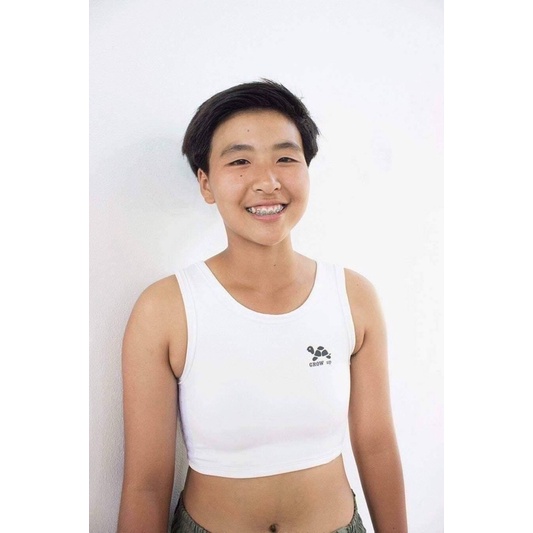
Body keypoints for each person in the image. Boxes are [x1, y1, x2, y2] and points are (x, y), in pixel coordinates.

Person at [117, 80, 407, 533]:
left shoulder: (353, 297)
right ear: (206, 183)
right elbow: (147, 485)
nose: (268, 181)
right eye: (240, 161)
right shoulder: (165, 309)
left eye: (286, 159)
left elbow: (377, 446)